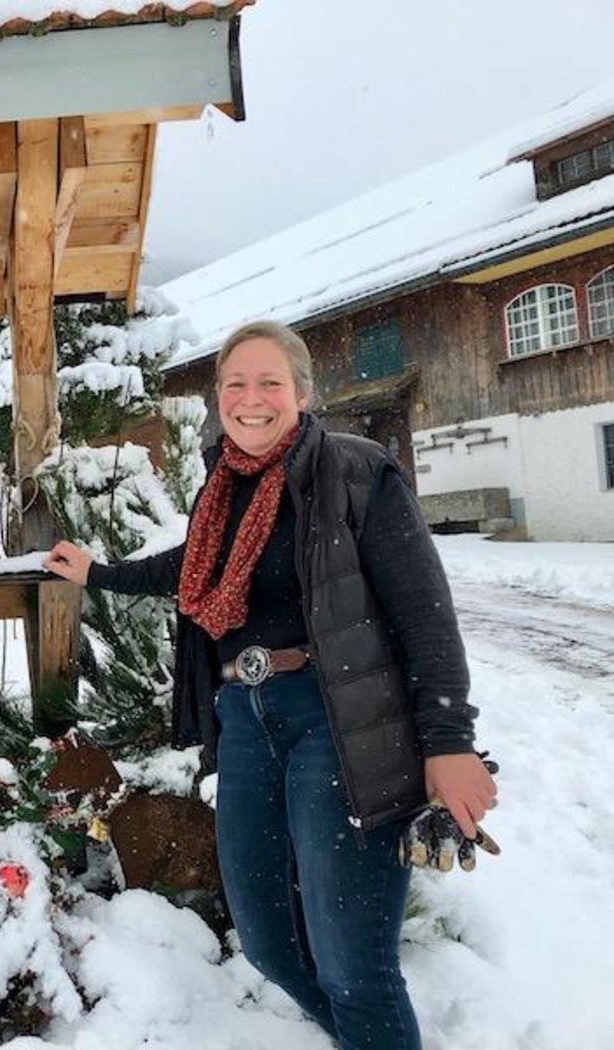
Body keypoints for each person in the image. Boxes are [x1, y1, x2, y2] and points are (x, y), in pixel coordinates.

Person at [44, 320, 496, 1049]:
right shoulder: (221, 492)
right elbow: (187, 569)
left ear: (303, 393)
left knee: (355, 964)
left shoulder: (356, 473)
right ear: (217, 398)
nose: (250, 400)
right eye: (234, 384)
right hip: (244, 721)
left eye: (269, 383)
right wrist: (98, 573)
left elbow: (426, 617)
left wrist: (450, 741)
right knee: (266, 942)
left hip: (338, 720)